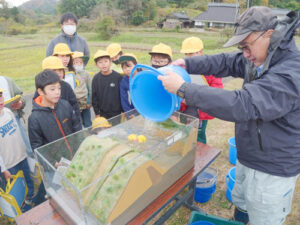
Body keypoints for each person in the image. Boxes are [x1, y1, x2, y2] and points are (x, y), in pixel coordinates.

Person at [158, 6, 300, 225]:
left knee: (264, 218)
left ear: (269, 34)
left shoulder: (290, 72)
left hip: (273, 167)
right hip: (249, 154)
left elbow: (242, 104)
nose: (244, 53)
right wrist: (186, 63)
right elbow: (225, 61)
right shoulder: (261, 55)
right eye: (241, 47)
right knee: (241, 202)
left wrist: (184, 89)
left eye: (246, 45)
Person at [180, 37, 223, 143]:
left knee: (198, 135)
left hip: (200, 110)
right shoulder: (183, 68)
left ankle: (201, 156)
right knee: (184, 133)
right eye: (186, 54)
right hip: (185, 108)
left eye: (192, 53)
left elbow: (217, 90)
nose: (189, 57)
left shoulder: (211, 68)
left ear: (200, 52)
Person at [28, 69, 82, 151]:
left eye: (59, 88)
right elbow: (37, 146)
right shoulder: (34, 119)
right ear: (40, 91)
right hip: (57, 162)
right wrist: (52, 161)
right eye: (52, 89)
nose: (57, 92)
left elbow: (77, 126)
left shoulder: (65, 105)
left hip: (76, 152)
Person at [0, 88, 34, 211]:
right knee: (17, 189)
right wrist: (4, 170)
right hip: (9, 164)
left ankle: (31, 200)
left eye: (0, 96)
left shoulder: (8, 112)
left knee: (29, 181)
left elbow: (18, 134)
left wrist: (25, 152)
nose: (0, 100)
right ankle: (21, 210)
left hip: (21, 156)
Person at [33, 56, 81, 120]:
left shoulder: (66, 86)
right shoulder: (41, 90)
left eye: (60, 70)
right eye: (54, 70)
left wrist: (77, 119)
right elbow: (37, 106)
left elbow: (74, 104)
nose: (59, 73)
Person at [0, 76, 33, 157]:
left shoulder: (7, 81)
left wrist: (20, 103)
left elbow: (21, 96)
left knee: (27, 150)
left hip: (14, 120)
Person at [92, 50, 123, 121]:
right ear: (96, 65)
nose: (103, 64)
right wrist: (97, 113)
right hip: (103, 113)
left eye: (106, 61)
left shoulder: (118, 77)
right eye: (100, 62)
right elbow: (94, 97)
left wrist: (123, 110)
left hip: (117, 113)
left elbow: (122, 95)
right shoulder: (96, 79)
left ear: (110, 62)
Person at [72, 51, 92, 128]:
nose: (78, 64)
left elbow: (90, 88)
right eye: (76, 62)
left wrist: (89, 102)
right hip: (76, 104)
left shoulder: (86, 74)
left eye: (80, 62)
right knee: (78, 122)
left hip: (85, 102)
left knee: (88, 122)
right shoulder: (71, 74)